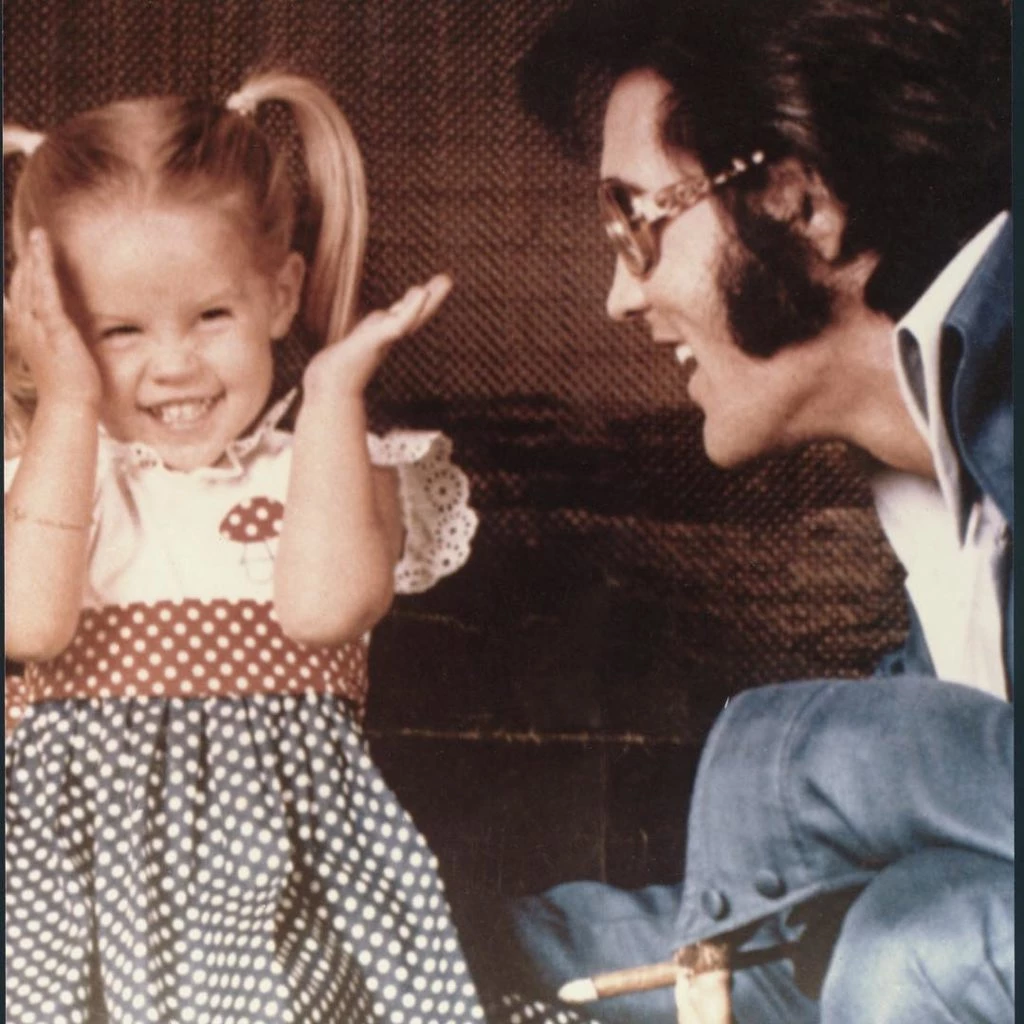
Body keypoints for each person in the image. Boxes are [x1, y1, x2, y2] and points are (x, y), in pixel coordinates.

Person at [508, 0, 1013, 1021]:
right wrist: (445, 940)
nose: (619, 294)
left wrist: (789, 762)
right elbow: (794, 954)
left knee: (916, 938)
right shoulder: (935, 477)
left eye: (636, 224)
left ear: (796, 201)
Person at [3, 72, 485, 1022]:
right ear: (50, 332)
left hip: (284, 892)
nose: (174, 363)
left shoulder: (338, 465)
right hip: (75, 886)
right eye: (118, 332)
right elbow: (29, 622)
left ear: (281, 291)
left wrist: (338, 392)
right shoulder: (49, 476)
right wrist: (63, 402)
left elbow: (320, 611)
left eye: (211, 316)